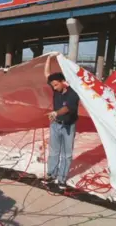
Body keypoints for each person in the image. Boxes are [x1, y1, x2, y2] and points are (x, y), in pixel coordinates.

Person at [42, 53, 80, 189]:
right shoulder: (55, 89)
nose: (54, 87)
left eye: (56, 85)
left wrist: (55, 113)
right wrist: (48, 58)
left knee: (67, 154)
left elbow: (68, 108)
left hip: (68, 126)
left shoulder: (73, 92)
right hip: (55, 125)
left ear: (63, 82)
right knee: (53, 152)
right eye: (52, 85)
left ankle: (62, 178)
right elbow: (47, 73)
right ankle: (51, 174)